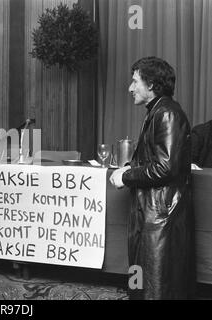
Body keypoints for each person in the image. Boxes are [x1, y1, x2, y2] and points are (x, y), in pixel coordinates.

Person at [110, 57, 195, 299]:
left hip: (160, 220)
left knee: (156, 290)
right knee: (146, 287)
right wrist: (130, 166)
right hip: (154, 217)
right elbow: (157, 161)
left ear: (152, 85)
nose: (130, 87)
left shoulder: (167, 113)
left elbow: (165, 168)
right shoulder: (159, 111)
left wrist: (127, 175)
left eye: (135, 81)